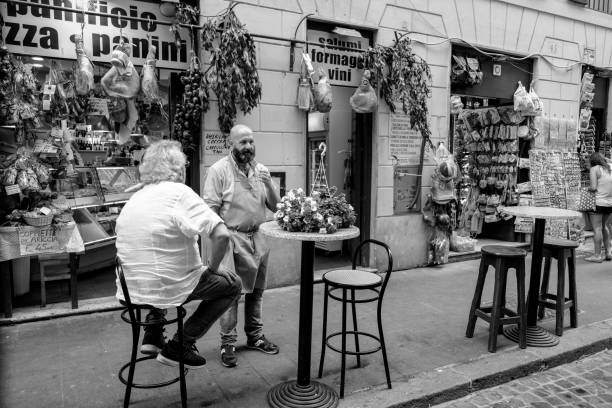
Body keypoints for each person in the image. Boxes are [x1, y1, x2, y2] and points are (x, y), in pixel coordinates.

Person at [115, 140, 242, 369]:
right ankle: (180, 345)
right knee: (232, 285)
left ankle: (152, 334)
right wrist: (213, 268)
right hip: (166, 285)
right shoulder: (179, 193)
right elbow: (222, 235)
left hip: (131, 288)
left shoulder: (136, 198)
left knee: (162, 260)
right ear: (179, 168)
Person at [203, 124, 280, 368]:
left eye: (251, 142)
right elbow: (210, 212)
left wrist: (269, 184)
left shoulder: (261, 170)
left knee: (257, 293)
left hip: (258, 238)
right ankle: (228, 343)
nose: (248, 147)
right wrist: (221, 240)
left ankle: (255, 336)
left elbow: (276, 207)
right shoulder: (218, 171)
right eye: (242, 142)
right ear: (231, 144)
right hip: (231, 241)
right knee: (231, 296)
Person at [585, 152, 612, 263]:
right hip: (610, 203)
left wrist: (586, 189)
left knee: (597, 228)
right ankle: (608, 252)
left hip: (598, 202)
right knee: (605, 226)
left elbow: (593, 187)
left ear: (593, 161)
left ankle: (597, 255)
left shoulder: (595, 169)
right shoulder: (609, 168)